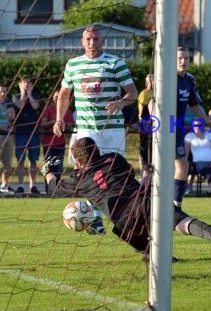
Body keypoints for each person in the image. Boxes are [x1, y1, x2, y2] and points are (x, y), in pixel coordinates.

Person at [41, 137, 211, 259]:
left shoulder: (79, 178)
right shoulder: (114, 158)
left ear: (78, 162)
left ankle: (158, 257)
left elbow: (54, 188)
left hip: (123, 220)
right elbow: (130, 173)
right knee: (181, 222)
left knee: (129, 236)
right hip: (144, 200)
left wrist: (47, 171)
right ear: (97, 151)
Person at [54, 25, 138, 234]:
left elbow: (133, 93)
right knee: (85, 173)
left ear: (103, 41)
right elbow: (64, 93)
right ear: (82, 41)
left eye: (96, 39)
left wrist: (120, 103)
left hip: (111, 128)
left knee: (113, 175)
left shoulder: (115, 63)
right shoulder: (73, 65)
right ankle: (96, 220)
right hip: (85, 129)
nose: (92, 43)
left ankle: (119, 216)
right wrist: (59, 118)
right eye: (88, 39)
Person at [173, 46, 211, 211]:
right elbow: (152, 101)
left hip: (178, 129)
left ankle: (175, 204)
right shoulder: (165, 78)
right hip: (166, 128)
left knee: (182, 166)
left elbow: (194, 105)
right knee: (177, 166)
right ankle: (170, 203)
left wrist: (208, 120)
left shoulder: (189, 80)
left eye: (186, 58)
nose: (183, 61)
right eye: (180, 58)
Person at [12, 75, 41, 195]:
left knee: (33, 160)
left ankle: (33, 185)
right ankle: (20, 185)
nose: (26, 84)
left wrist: (29, 93)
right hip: (20, 132)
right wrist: (23, 93)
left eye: (28, 83)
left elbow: (35, 106)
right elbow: (20, 105)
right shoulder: (16, 97)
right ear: (20, 84)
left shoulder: (35, 96)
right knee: (20, 160)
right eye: (24, 82)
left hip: (33, 132)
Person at [40, 90, 75, 182]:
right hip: (48, 143)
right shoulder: (48, 109)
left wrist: (66, 125)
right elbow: (42, 124)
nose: (57, 98)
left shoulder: (67, 111)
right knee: (48, 166)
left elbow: (71, 126)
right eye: (56, 96)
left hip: (60, 142)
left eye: (59, 96)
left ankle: (57, 188)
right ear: (52, 98)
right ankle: (48, 187)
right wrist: (54, 122)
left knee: (58, 167)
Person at [184, 123, 211, 197]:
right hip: (200, 162)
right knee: (209, 174)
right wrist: (185, 162)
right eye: (195, 126)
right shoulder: (189, 136)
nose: (197, 127)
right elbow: (186, 152)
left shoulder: (209, 135)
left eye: (199, 125)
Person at [0, 84, 15, 193]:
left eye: (5, 91)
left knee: (8, 165)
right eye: (1, 91)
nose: (3, 94)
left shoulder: (6, 104)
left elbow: (11, 119)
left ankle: (0, 184)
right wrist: (0, 127)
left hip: (8, 137)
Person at [138, 74, 154, 184]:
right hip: (146, 124)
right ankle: (144, 175)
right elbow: (142, 111)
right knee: (145, 150)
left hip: (153, 125)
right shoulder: (145, 94)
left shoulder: (155, 94)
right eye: (150, 81)